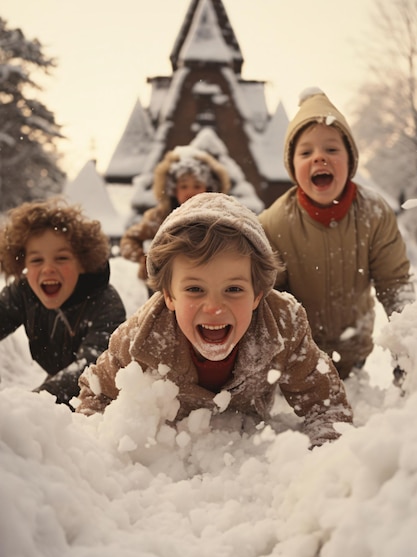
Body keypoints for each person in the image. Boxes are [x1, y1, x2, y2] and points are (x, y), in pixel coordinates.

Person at [76, 192, 353, 448]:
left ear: (258, 294)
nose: (214, 308)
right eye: (195, 289)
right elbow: (95, 396)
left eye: (233, 289)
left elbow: (327, 406)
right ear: (169, 297)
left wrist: (323, 463)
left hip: (247, 458)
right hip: (171, 467)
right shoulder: (141, 339)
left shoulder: (283, 324)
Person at [259, 87, 415, 380]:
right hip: (296, 363)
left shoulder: (374, 214)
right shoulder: (274, 223)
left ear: (350, 160)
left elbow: (395, 286)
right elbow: (269, 301)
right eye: (306, 152)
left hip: (354, 355)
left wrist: (409, 355)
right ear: (293, 166)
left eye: (332, 149)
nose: (319, 157)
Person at [0, 197, 126, 407]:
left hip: (101, 397)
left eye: (61, 258)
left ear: (83, 263)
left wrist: (31, 403)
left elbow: (91, 367)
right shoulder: (23, 293)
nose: (48, 268)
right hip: (58, 383)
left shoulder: (106, 304)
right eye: (36, 260)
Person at [119, 146, 230, 289]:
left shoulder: (218, 217)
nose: (190, 192)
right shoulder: (160, 218)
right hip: (164, 286)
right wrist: (146, 259)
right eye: (183, 186)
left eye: (197, 186)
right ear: (173, 190)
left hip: (209, 284)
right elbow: (129, 240)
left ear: (209, 188)